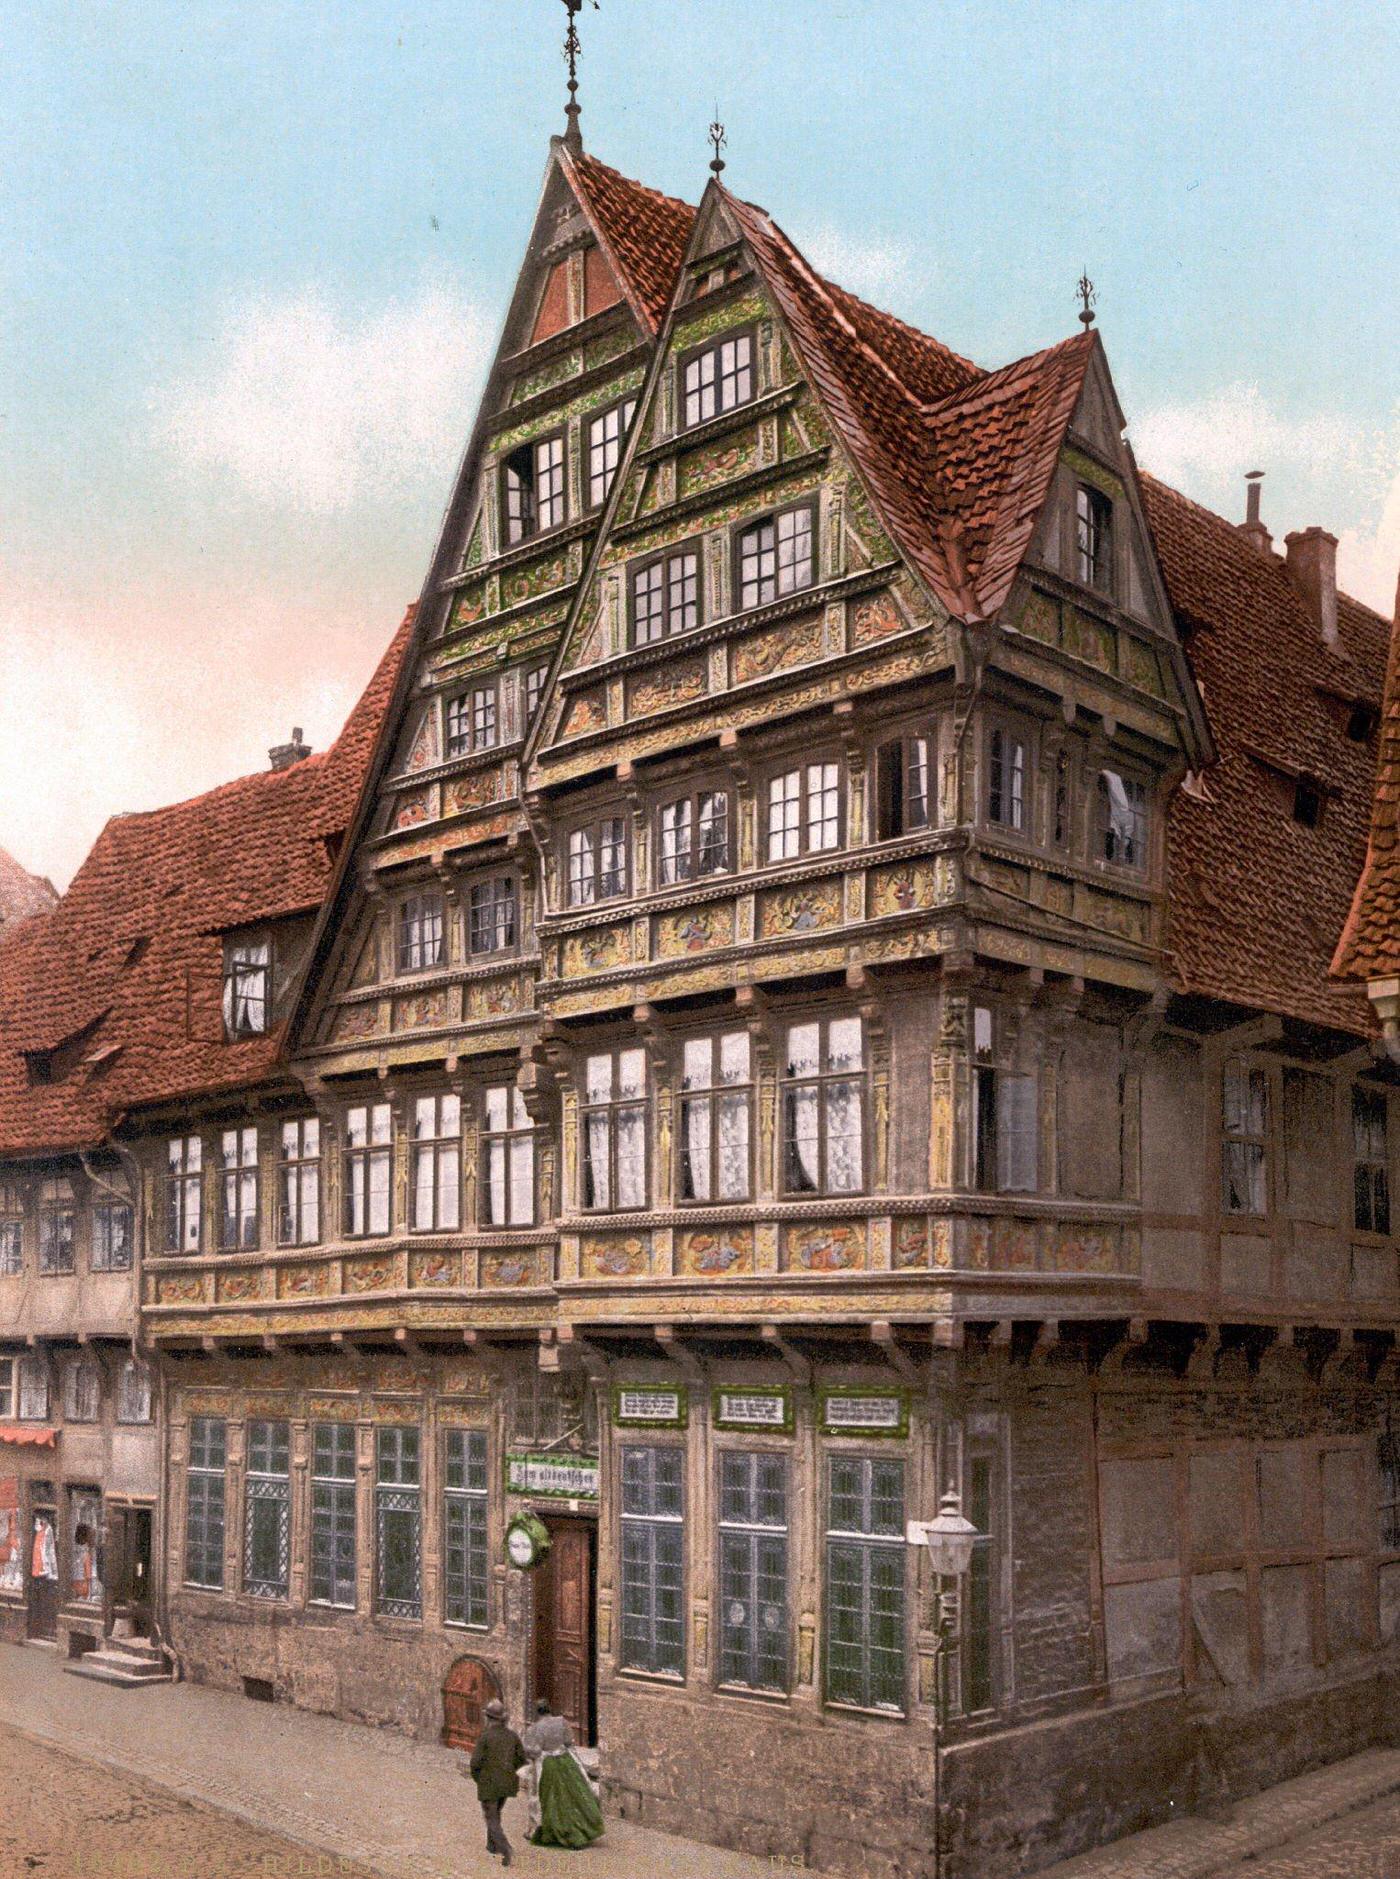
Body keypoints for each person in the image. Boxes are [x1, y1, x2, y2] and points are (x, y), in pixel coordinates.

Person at [522, 1699, 605, 1850]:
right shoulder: (562, 1722)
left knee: (546, 1798)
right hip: (565, 1761)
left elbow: (532, 1751)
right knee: (574, 1796)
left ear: (537, 1712)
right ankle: (580, 1829)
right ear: (549, 1709)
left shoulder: (533, 1729)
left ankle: (552, 1832)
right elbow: (568, 1741)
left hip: (547, 1765)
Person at [468, 1698, 527, 1867]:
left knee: (491, 1817)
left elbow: (475, 1763)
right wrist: (510, 1773)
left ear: (488, 1718)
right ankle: (491, 1845)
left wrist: (479, 1779)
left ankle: (504, 1848)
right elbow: (521, 1759)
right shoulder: (512, 1736)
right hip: (507, 1783)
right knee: (496, 1812)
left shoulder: (485, 1737)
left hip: (489, 1783)